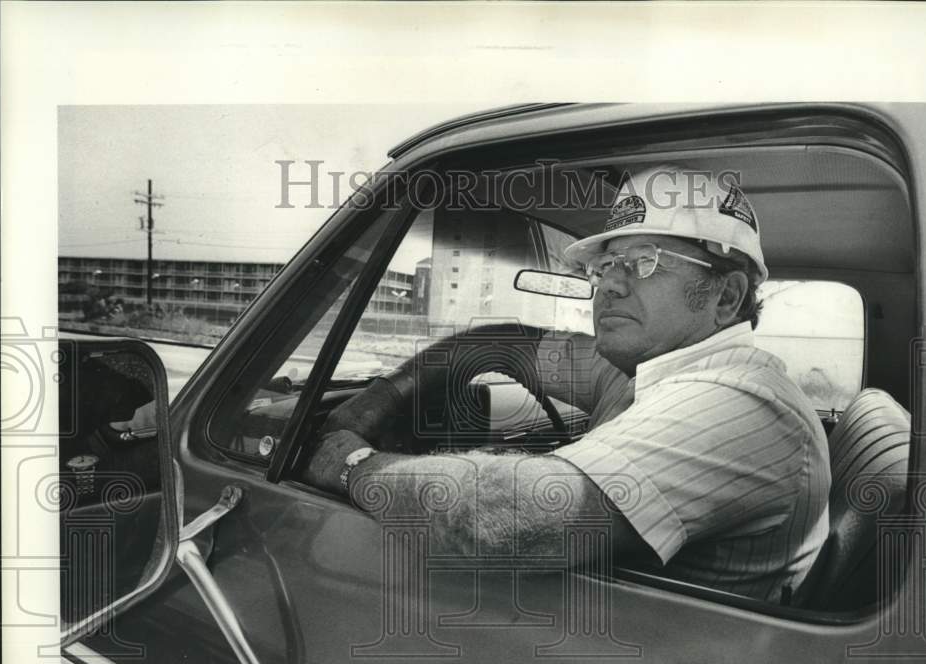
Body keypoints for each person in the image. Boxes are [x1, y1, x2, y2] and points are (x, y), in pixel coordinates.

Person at [303, 168, 830, 606]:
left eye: (645, 262)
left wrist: (350, 464)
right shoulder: (641, 368)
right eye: (607, 266)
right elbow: (501, 344)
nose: (610, 286)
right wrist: (384, 398)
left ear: (726, 296)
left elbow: (507, 518)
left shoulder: (737, 400)